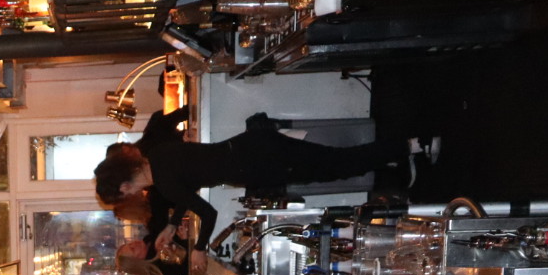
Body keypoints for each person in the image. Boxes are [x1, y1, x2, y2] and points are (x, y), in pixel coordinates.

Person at [95, 108, 414, 258]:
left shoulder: (163, 184)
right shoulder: (161, 156)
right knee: (333, 161)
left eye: (124, 196)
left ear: (124, 188)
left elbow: (207, 213)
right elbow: (187, 184)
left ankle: (408, 147)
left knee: (336, 166)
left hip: (258, 167)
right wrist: (171, 224)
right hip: (252, 145)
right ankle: (399, 155)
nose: (132, 196)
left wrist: (200, 248)